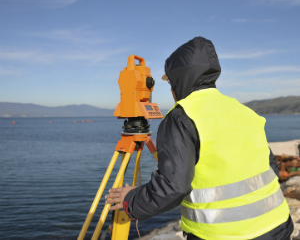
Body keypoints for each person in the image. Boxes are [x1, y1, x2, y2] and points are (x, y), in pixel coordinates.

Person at [105, 37, 294, 240]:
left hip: (223, 235)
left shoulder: (181, 118)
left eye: (170, 81)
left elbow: (173, 188)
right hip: (278, 226)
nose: (170, 89)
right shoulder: (244, 111)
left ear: (179, 79)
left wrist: (131, 200)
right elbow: (271, 168)